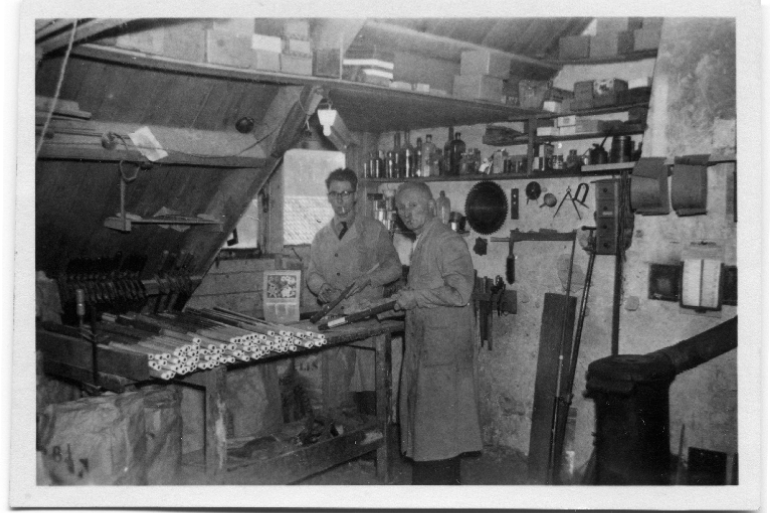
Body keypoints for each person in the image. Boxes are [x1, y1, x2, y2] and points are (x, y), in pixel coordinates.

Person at [392, 182, 482, 485]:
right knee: (431, 431)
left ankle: (438, 495)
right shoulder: (422, 240)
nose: (407, 213)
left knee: (441, 432)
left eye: (413, 205)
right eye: (401, 207)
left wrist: (415, 297)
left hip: (444, 352)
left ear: (431, 205)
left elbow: (460, 292)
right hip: (428, 348)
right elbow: (429, 287)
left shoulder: (446, 240)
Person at [307, 167, 402, 414]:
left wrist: (370, 279)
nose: (340, 200)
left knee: (370, 387)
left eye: (346, 193)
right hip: (334, 320)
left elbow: (394, 268)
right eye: (335, 194)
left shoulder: (374, 230)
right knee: (337, 389)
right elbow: (312, 274)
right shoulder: (321, 237)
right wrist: (321, 288)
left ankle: (374, 435)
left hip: (366, 319)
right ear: (328, 196)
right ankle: (342, 434)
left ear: (356, 194)